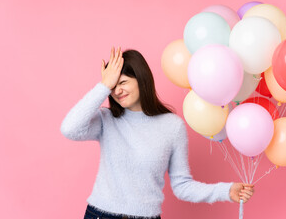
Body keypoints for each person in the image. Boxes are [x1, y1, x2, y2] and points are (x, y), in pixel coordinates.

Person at [60, 47, 254, 219]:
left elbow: (182, 186)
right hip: (100, 215)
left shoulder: (172, 126)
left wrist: (226, 191)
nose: (117, 91)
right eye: (113, 86)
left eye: (123, 82)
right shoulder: (106, 120)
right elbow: (69, 129)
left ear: (141, 80)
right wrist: (103, 86)